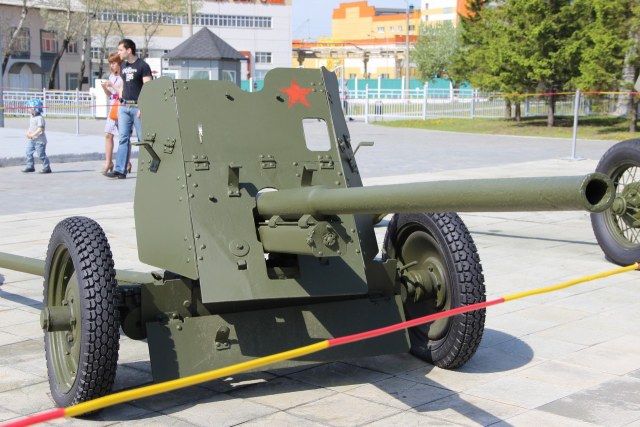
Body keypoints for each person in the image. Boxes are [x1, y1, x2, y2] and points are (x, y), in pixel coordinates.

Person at [105, 38, 152, 179]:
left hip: (138, 107)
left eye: (120, 50)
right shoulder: (124, 66)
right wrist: (120, 100)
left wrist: (144, 107)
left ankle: (149, 169)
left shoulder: (143, 66)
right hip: (124, 107)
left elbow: (149, 88)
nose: (119, 52)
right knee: (123, 139)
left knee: (143, 139)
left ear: (129, 50)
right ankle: (120, 170)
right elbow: (123, 86)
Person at [100, 52, 131, 175]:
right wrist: (104, 87)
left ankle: (126, 162)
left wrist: (112, 85)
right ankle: (108, 162)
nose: (112, 65)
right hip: (113, 108)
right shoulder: (112, 76)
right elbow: (110, 95)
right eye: (110, 63)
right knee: (108, 134)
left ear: (120, 63)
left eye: (114, 63)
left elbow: (123, 93)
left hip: (122, 107)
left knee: (124, 137)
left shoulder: (124, 75)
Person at [22, 98, 51, 174]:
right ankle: (30, 166)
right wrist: (28, 132)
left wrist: (32, 135)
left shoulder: (40, 118)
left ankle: (47, 168)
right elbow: (31, 127)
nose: (28, 109)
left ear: (34, 108)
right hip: (32, 140)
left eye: (29, 107)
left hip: (40, 141)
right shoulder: (32, 116)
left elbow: (40, 129)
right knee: (28, 152)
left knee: (41, 155)